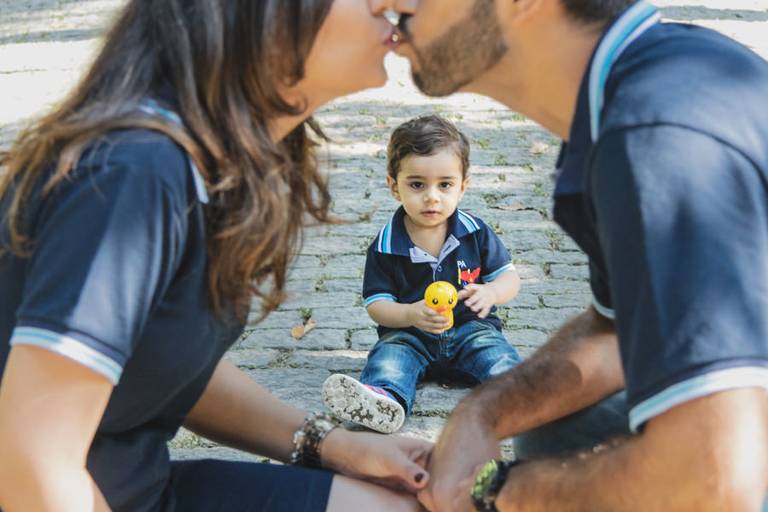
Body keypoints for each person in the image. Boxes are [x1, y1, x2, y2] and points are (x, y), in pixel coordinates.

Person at [0, 1, 434, 511]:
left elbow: (159, 361)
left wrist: (333, 446)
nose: (395, 5)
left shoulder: (208, 160)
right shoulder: (134, 174)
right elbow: (30, 460)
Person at [386, 0, 768, 510]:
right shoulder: (664, 72)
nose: (390, 4)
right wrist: (481, 413)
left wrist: (495, 490)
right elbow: (617, 333)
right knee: (558, 428)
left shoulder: (655, 140)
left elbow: (716, 475)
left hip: (735, 451)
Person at [322, 115, 521, 434]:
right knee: (390, 357)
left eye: (445, 185)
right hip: (411, 335)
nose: (432, 196)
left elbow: (509, 278)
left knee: (495, 353)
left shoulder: (475, 233)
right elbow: (376, 304)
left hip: (471, 329)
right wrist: (410, 314)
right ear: (394, 187)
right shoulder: (386, 246)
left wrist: (492, 292)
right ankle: (382, 401)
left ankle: (520, 394)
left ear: (463, 186)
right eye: (417, 184)